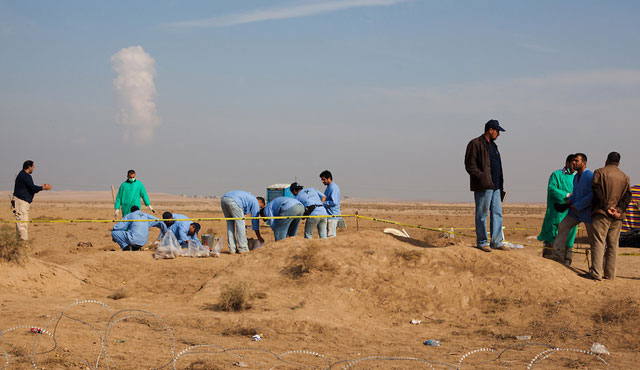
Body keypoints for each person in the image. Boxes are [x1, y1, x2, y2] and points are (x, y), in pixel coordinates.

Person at [586, 152, 632, 280]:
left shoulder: (599, 173)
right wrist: (618, 209)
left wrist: (607, 208)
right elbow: (628, 196)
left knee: (599, 242)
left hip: (602, 214)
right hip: (617, 216)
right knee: (613, 244)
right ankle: (610, 274)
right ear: (618, 162)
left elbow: (597, 191)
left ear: (607, 160)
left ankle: (596, 273)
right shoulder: (625, 177)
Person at [464, 119, 507, 252]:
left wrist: (500, 185)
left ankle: (496, 242)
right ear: (490, 130)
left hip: (496, 186)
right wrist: (481, 177)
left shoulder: (494, 146)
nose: (498, 134)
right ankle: (482, 242)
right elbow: (470, 165)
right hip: (484, 185)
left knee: (497, 213)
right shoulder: (475, 144)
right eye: (497, 131)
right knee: (482, 214)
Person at [550, 153, 595, 266]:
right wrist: (569, 202)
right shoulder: (575, 177)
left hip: (587, 212)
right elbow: (576, 192)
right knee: (563, 227)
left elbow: (591, 194)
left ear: (584, 163)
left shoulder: (590, 176)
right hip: (574, 212)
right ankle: (557, 256)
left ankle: (596, 266)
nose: (573, 163)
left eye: (576, 161)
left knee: (594, 240)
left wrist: (578, 205)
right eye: (573, 161)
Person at [537, 154, 578, 258]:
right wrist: (566, 195)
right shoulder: (556, 175)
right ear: (567, 163)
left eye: (576, 163)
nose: (574, 165)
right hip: (556, 213)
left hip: (571, 213)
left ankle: (567, 262)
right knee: (552, 235)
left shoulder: (577, 177)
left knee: (569, 237)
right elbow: (552, 189)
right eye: (573, 163)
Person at [12, 160, 52, 240]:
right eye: (33, 167)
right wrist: (42, 188)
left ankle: (21, 243)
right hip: (20, 203)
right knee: (22, 224)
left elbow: (31, 188)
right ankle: (23, 244)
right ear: (29, 167)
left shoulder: (22, 175)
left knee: (21, 224)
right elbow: (33, 188)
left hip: (21, 203)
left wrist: (41, 188)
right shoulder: (25, 176)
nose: (33, 169)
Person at [320, 170, 341, 238]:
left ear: (329, 178)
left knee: (331, 236)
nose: (323, 181)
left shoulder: (333, 187)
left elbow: (334, 202)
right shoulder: (329, 187)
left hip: (333, 215)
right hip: (328, 215)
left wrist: (323, 203)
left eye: (324, 179)